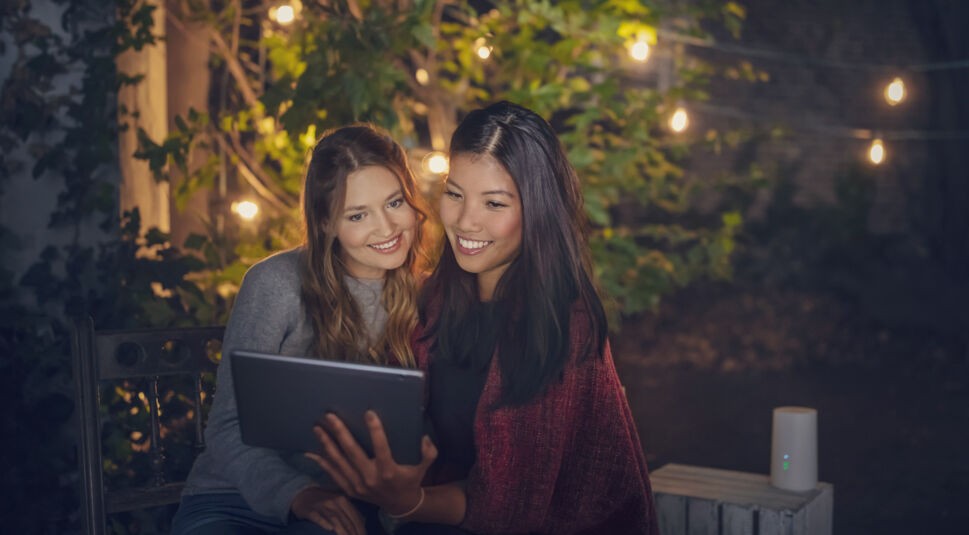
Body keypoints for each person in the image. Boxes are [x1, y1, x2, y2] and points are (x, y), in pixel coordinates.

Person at [308, 102, 658, 534]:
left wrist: (409, 501)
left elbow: (515, 507)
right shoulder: (435, 297)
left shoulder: (565, 321)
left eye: (494, 203)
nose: (466, 221)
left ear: (537, 209)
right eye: (454, 194)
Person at [171, 124, 433, 535]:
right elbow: (225, 427)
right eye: (358, 215)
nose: (386, 228)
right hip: (231, 501)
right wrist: (298, 493)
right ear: (326, 223)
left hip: (339, 512)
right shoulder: (275, 283)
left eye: (395, 202)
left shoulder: (427, 296)